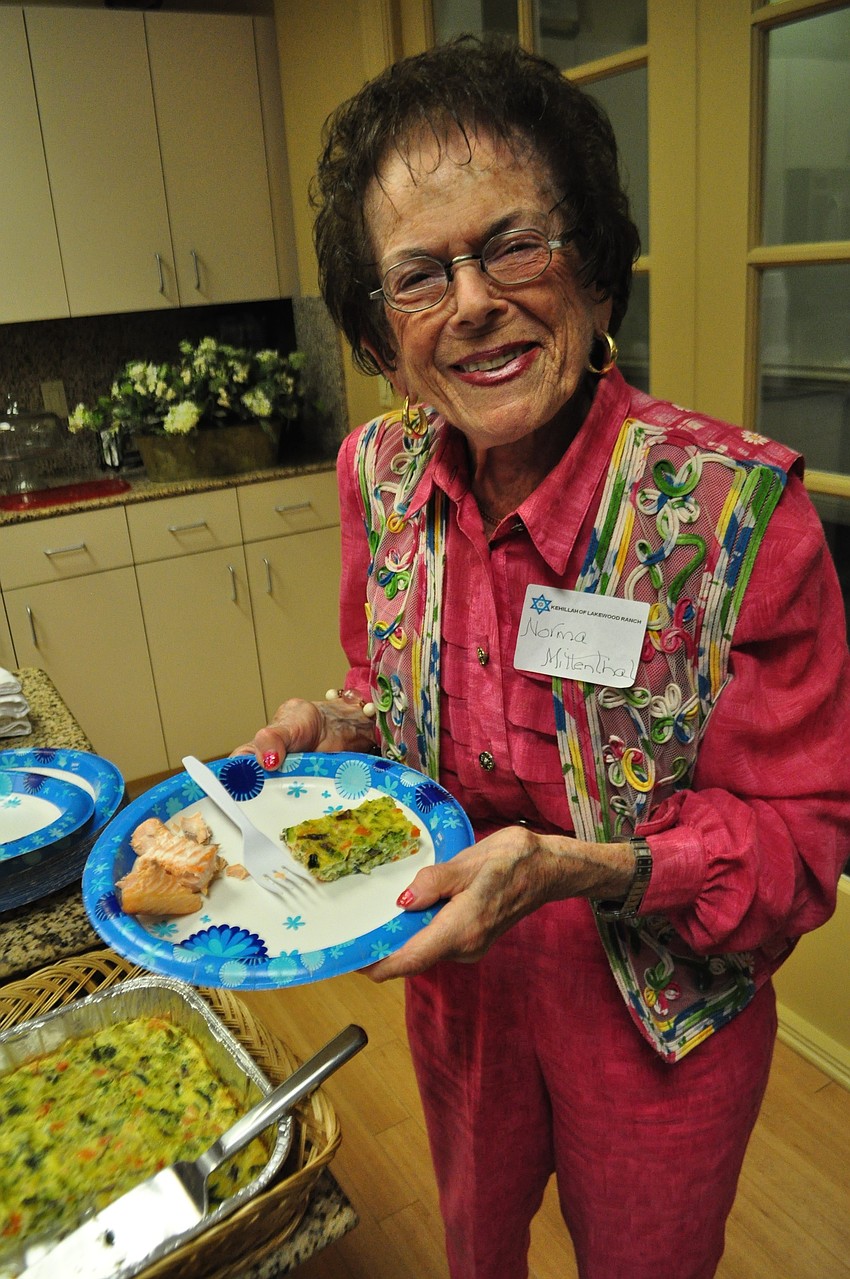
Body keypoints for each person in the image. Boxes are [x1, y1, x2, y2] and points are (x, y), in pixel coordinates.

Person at [236, 37, 850, 1279]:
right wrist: (340, 729)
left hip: (656, 1024)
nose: (470, 303)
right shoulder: (381, 476)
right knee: (476, 1255)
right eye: (417, 275)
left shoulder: (734, 514)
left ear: (593, 265)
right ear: (378, 324)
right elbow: (400, 702)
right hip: (459, 992)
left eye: (512, 243)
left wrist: (592, 866)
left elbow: (802, 849)